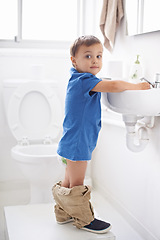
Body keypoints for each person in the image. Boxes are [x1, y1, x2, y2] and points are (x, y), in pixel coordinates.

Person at [52, 35, 150, 234]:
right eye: (88, 56)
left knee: (69, 181)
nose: (95, 61)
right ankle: (84, 219)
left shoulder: (78, 78)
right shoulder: (84, 80)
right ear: (74, 60)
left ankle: (63, 213)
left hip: (72, 140)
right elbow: (113, 86)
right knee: (78, 183)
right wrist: (139, 86)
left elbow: (104, 85)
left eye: (98, 56)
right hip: (79, 141)